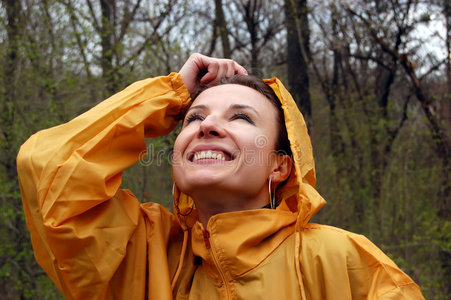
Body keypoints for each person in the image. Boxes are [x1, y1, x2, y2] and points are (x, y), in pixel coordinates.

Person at [17, 53, 424, 299]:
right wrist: (171, 93)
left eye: (241, 117)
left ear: (280, 164)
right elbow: (50, 166)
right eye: (194, 118)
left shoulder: (343, 261)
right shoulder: (143, 255)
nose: (206, 127)